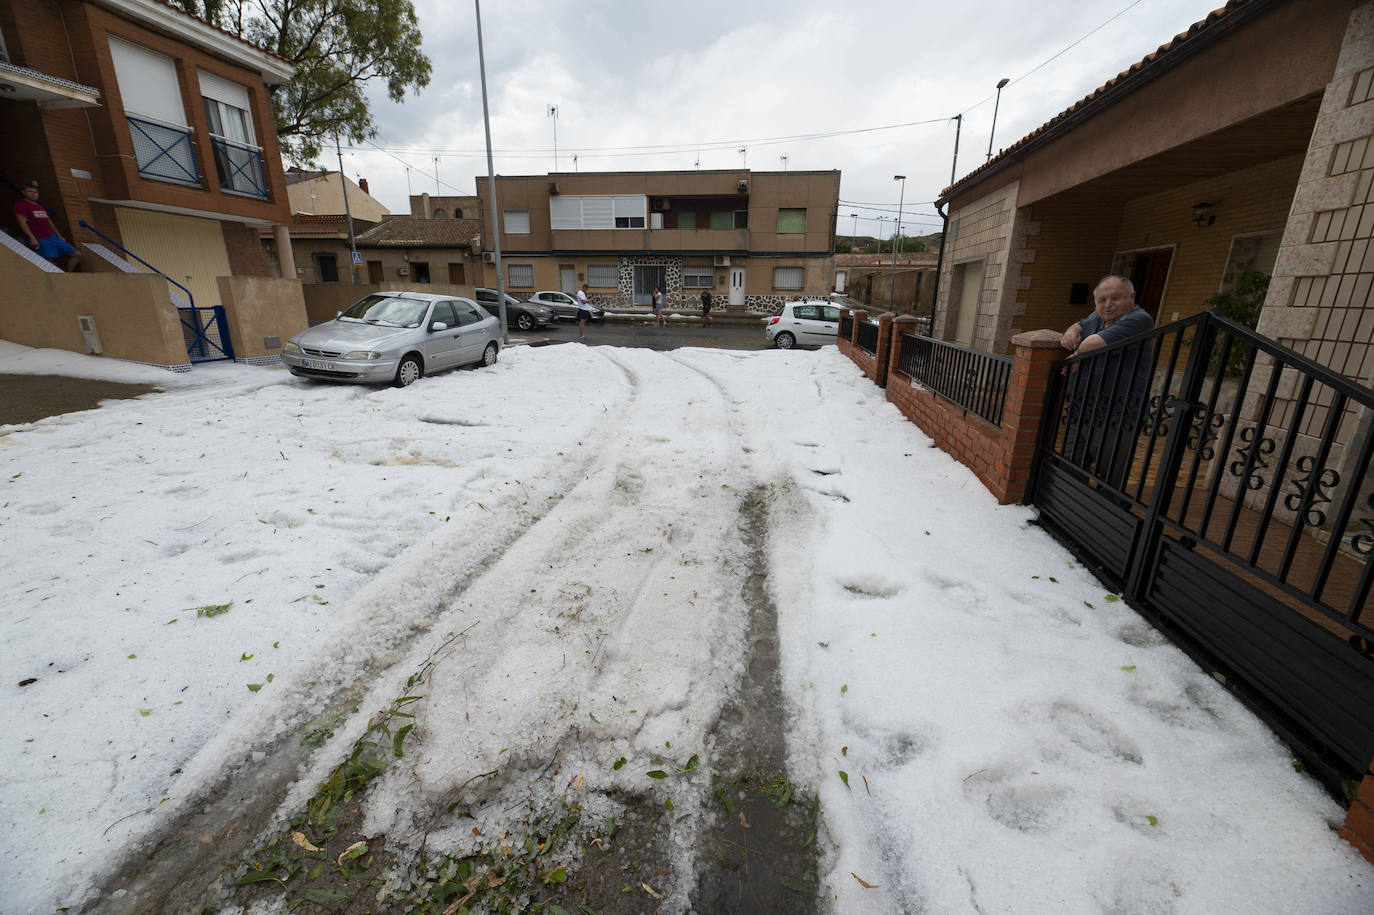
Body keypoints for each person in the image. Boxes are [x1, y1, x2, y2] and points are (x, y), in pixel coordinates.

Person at [1060, 275, 1155, 490]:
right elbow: (1083, 322)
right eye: (1102, 299)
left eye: (1116, 298)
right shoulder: (1097, 318)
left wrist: (1076, 354)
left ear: (1131, 297)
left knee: (1110, 475)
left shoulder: (1139, 320)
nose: (1108, 304)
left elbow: (1095, 343)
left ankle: (1108, 516)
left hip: (1118, 413)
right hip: (1082, 409)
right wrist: (1073, 329)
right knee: (1069, 466)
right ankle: (1066, 516)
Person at [14, 182, 80, 271]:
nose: (33, 194)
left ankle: (68, 275)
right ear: (24, 192)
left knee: (77, 254)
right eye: (30, 191)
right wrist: (32, 238)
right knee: (47, 261)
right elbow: (23, 223)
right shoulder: (21, 205)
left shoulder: (40, 206)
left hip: (52, 236)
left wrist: (59, 236)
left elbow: (49, 222)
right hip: (39, 238)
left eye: (35, 192)